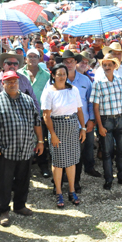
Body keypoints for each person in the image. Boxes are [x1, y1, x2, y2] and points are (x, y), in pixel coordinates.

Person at [0, 71, 43, 226]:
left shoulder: (28, 100)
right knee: (4, 183)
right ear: (2, 84)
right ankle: (3, 210)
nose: (12, 84)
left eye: (15, 81)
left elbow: (37, 121)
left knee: (23, 180)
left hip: (25, 148)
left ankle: (20, 206)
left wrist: (41, 141)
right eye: (8, 81)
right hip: (4, 151)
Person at [41, 64, 87, 208]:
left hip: (72, 125)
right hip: (57, 127)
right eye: (59, 74)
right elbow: (46, 115)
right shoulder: (49, 91)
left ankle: (72, 190)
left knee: (72, 160)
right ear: (53, 75)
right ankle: (59, 192)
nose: (62, 76)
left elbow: (79, 110)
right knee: (58, 162)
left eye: (64, 74)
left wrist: (83, 128)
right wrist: (52, 134)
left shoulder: (73, 90)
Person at [91, 53, 122, 190]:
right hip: (106, 120)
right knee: (107, 153)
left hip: (119, 118)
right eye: (104, 65)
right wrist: (99, 126)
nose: (107, 67)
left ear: (115, 66)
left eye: (109, 64)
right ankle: (108, 179)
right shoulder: (98, 83)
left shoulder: (120, 80)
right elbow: (95, 107)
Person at [60, 49, 98, 190]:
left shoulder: (85, 80)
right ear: (62, 63)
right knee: (61, 154)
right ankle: (61, 180)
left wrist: (91, 120)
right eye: (66, 62)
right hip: (62, 125)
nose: (69, 64)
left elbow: (90, 102)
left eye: (71, 61)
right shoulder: (56, 79)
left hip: (81, 124)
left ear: (76, 62)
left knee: (78, 156)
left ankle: (75, 182)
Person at [17, 49, 52, 178]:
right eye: (29, 56)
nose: (32, 59)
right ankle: (26, 169)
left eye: (35, 57)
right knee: (24, 141)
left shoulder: (46, 75)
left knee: (41, 140)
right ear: (25, 59)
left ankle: (43, 166)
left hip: (41, 113)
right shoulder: (19, 74)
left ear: (39, 59)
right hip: (22, 114)